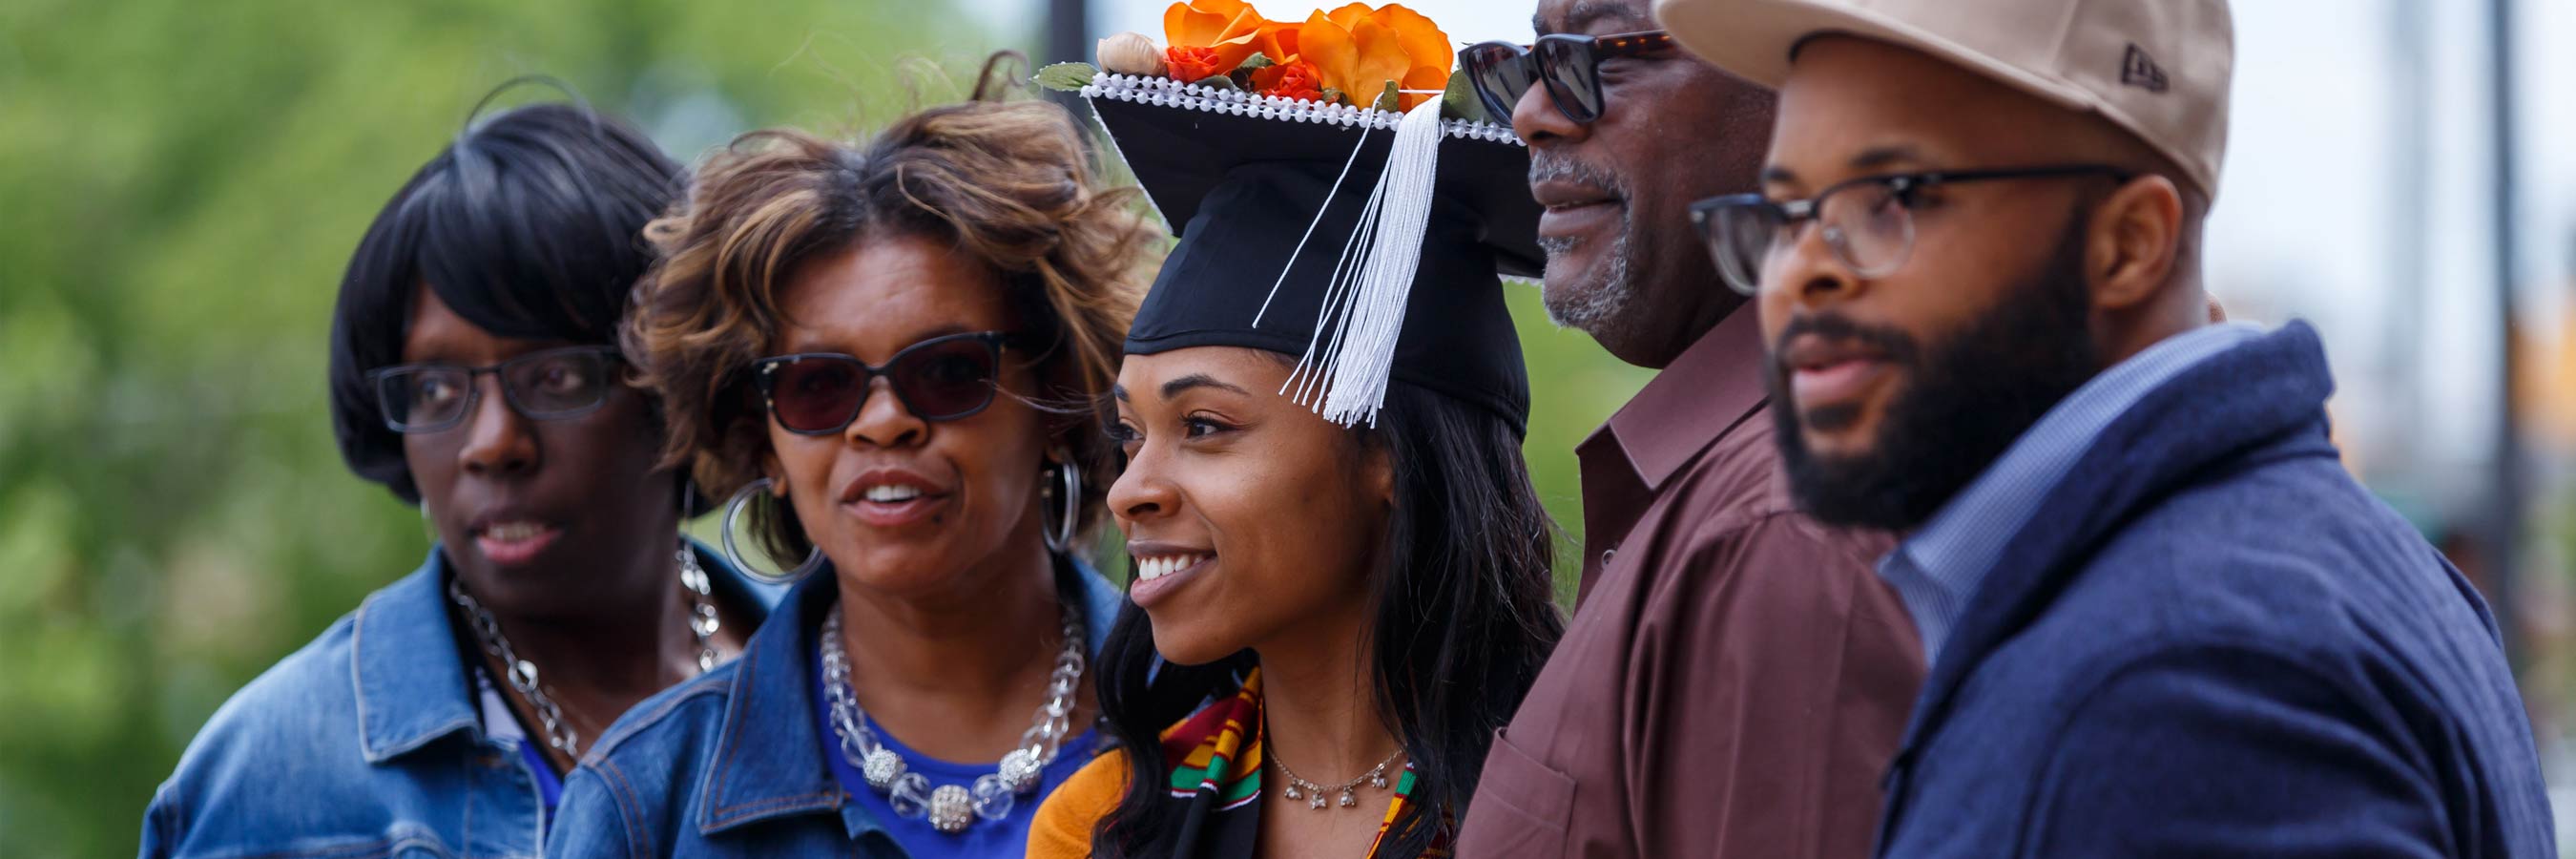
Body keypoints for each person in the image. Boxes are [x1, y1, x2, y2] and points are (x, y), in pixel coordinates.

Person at [1665, 0, 2557, 854]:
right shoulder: (2289, 570)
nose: (1801, 274)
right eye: (1786, 213)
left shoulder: (2188, 680)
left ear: (2129, 243)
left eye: (1892, 197)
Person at [545, 62, 1158, 858]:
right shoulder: (645, 801)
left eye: (945, 371)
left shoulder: (1235, 732)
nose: (882, 424)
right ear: (763, 439)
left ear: (1056, 396)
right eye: (818, 387)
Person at [139, 94, 770, 858]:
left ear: (676, 382)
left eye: (557, 377)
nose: (492, 443)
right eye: (437, 389)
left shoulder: (845, 692)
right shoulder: (273, 777)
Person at [1026, 21, 1565, 856]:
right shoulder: (1103, 827)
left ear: (1388, 453)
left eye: (1203, 426)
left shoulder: (1581, 804)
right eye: (1130, 436)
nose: (1131, 489)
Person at [1446, 0, 1921, 855]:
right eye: (1533, 61)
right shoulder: (1725, 497)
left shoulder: (1790, 533)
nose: (1529, 113)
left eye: (1603, 54)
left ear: (1810, 94)